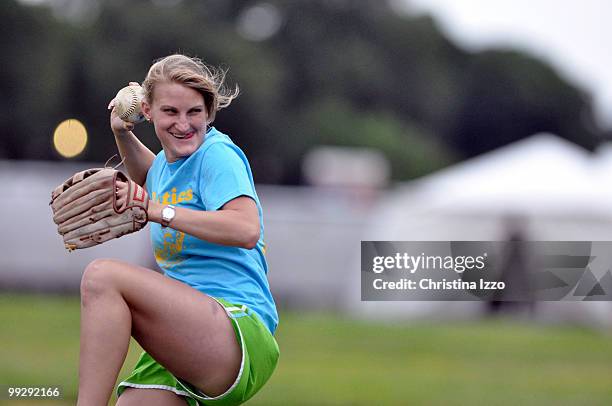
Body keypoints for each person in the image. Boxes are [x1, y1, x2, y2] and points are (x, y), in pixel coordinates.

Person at [76, 54, 279, 406]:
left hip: (236, 326)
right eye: (170, 112)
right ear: (148, 111)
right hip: (187, 333)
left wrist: (157, 210)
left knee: (102, 277)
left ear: (209, 113)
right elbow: (151, 174)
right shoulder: (167, 169)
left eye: (194, 112)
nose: (184, 124)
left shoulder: (216, 155)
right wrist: (121, 131)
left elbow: (245, 228)